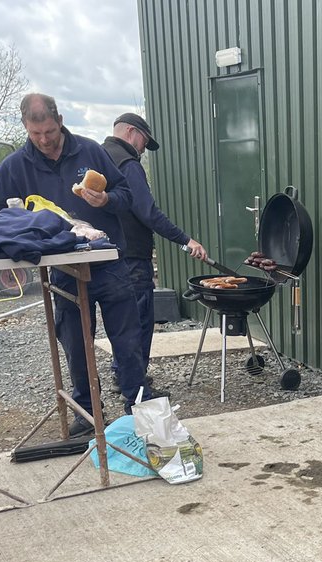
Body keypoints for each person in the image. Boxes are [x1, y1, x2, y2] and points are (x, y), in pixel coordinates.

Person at [0, 93, 142, 436]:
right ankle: (87, 412)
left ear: (59, 121)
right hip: (63, 268)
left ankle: (139, 407)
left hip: (107, 260)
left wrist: (106, 199)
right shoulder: (16, 165)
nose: (44, 140)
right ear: (25, 128)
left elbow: (126, 195)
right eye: (36, 134)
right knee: (75, 342)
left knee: (127, 339)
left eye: (49, 131)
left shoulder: (90, 151)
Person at [103, 112, 207, 375]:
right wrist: (186, 240)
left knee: (121, 319)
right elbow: (148, 212)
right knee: (139, 319)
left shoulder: (100, 156)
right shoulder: (128, 164)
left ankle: (123, 373)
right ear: (130, 132)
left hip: (107, 254)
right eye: (144, 142)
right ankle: (136, 381)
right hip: (132, 256)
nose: (143, 149)